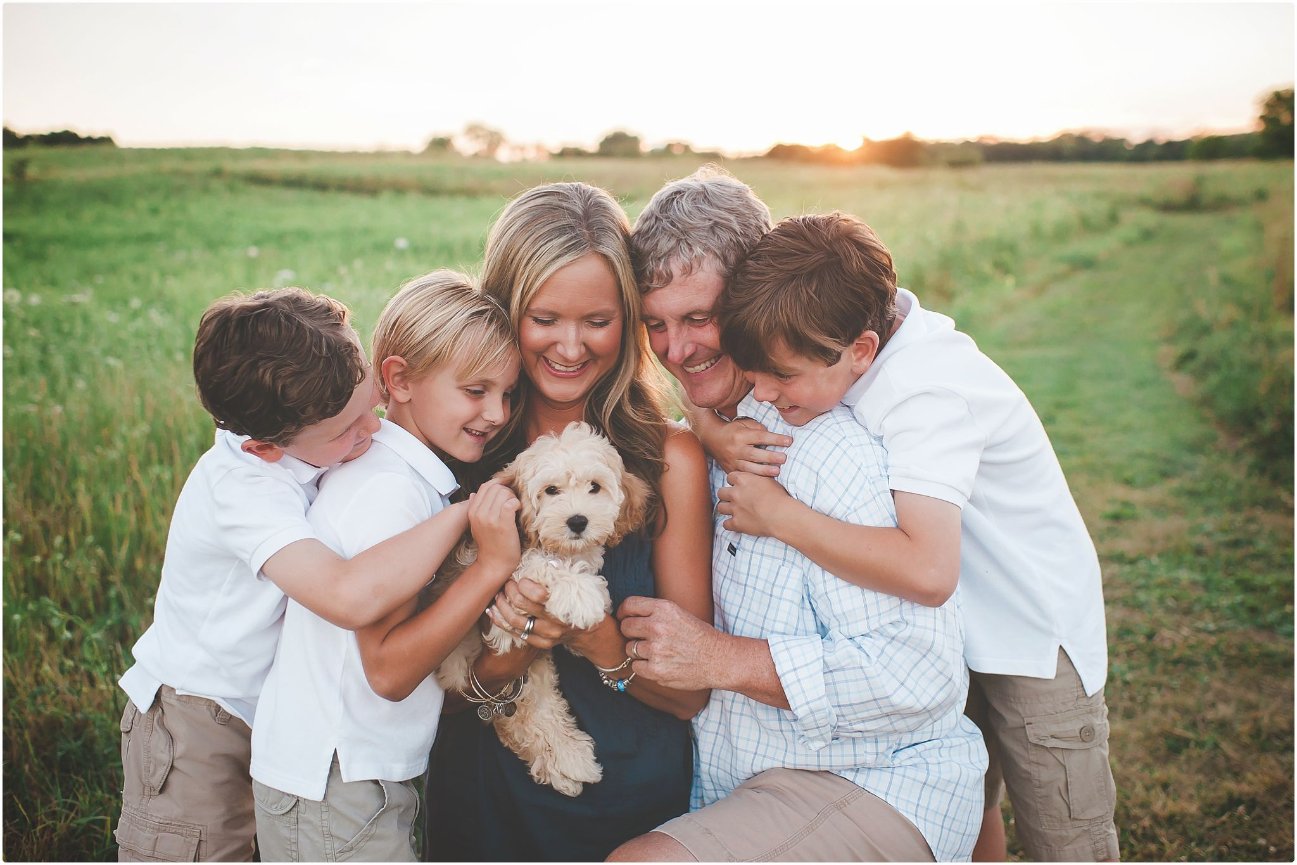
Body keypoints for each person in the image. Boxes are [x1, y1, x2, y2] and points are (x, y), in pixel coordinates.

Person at [711, 213, 1119, 861]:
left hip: (1031, 634)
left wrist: (779, 516)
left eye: (780, 376)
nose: (761, 392)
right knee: (970, 802)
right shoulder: (844, 337)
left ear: (861, 349)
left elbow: (929, 572)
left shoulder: (925, 393)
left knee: (1063, 828)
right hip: (958, 633)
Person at [612, 194, 985, 863]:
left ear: (750, 302)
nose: (676, 349)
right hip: (750, 781)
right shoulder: (706, 437)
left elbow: (921, 673)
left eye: (698, 318)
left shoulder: (820, 450)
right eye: (655, 324)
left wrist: (721, 658)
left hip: (870, 777)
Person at [116, 288, 475, 862]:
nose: (374, 427)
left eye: (370, 402)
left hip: (267, 709)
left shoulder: (311, 418)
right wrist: (463, 515)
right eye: (347, 429)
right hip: (197, 717)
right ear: (264, 448)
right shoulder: (243, 488)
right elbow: (347, 596)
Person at [422, 182, 714, 862]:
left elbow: (689, 695)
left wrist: (597, 638)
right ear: (506, 312)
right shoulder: (461, 454)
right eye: (545, 317)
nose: (571, 346)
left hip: (626, 809)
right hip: (482, 800)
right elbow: (416, 680)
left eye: (598, 320)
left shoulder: (669, 459)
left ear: (628, 320)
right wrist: (512, 651)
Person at [250, 272, 521, 861]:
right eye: (476, 390)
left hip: (344, 777)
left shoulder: (400, 477)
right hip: (336, 782)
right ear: (398, 380)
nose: (497, 412)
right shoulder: (391, 491)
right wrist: (490, 568)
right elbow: (389, 672)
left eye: (507, 393)